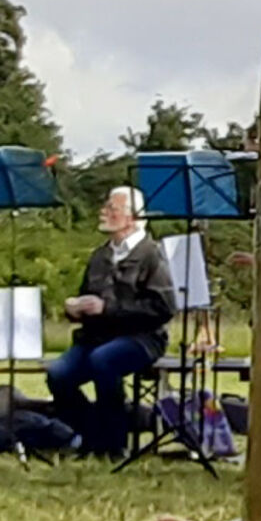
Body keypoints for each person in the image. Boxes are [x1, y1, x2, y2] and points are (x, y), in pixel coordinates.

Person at [47, 185, 175, 457]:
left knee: (103, 361)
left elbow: (163, 307)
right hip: (96, 337)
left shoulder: (152, 255)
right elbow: (87, 295)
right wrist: (75, 307)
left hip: (142, 338)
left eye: (111, 208)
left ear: (132, 217)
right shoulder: (100, 255)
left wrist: (107, 308)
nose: (103, 212)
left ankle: (114, 444)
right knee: (58, 374)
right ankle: (92, 435)